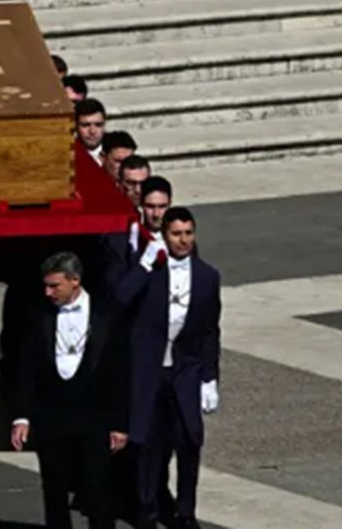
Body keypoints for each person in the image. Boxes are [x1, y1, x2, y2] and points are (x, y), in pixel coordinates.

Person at [113, 208, 220, 529]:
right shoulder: (151, 271)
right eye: (176, 234)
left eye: (188, 233)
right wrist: (145, 264)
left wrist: (209, 377)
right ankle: (146, 510)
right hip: (150, 372)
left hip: (184, 371)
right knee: (147, 444)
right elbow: (120, 298)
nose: (183, 240)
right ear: (165, 235)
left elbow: (209, 331)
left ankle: (185, 512)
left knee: (189, 441)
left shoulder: (207, 276)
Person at [11, 252, 129, 529]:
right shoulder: (38, 314)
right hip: (51, 414)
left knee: (98, 490)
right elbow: (26, 369)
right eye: (46, 286)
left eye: (55, 286)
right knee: (54, 490)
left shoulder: (106, 314)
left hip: (94, 415)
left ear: (75, 281)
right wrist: (21, 416)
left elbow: (120, 372)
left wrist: (120, 423)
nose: (48, 292)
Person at [75, 99, 107, 166]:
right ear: (75, 126)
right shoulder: (67, 155)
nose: (92, 131)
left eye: (98, 125)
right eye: (85, 125)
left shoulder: (116, 151)